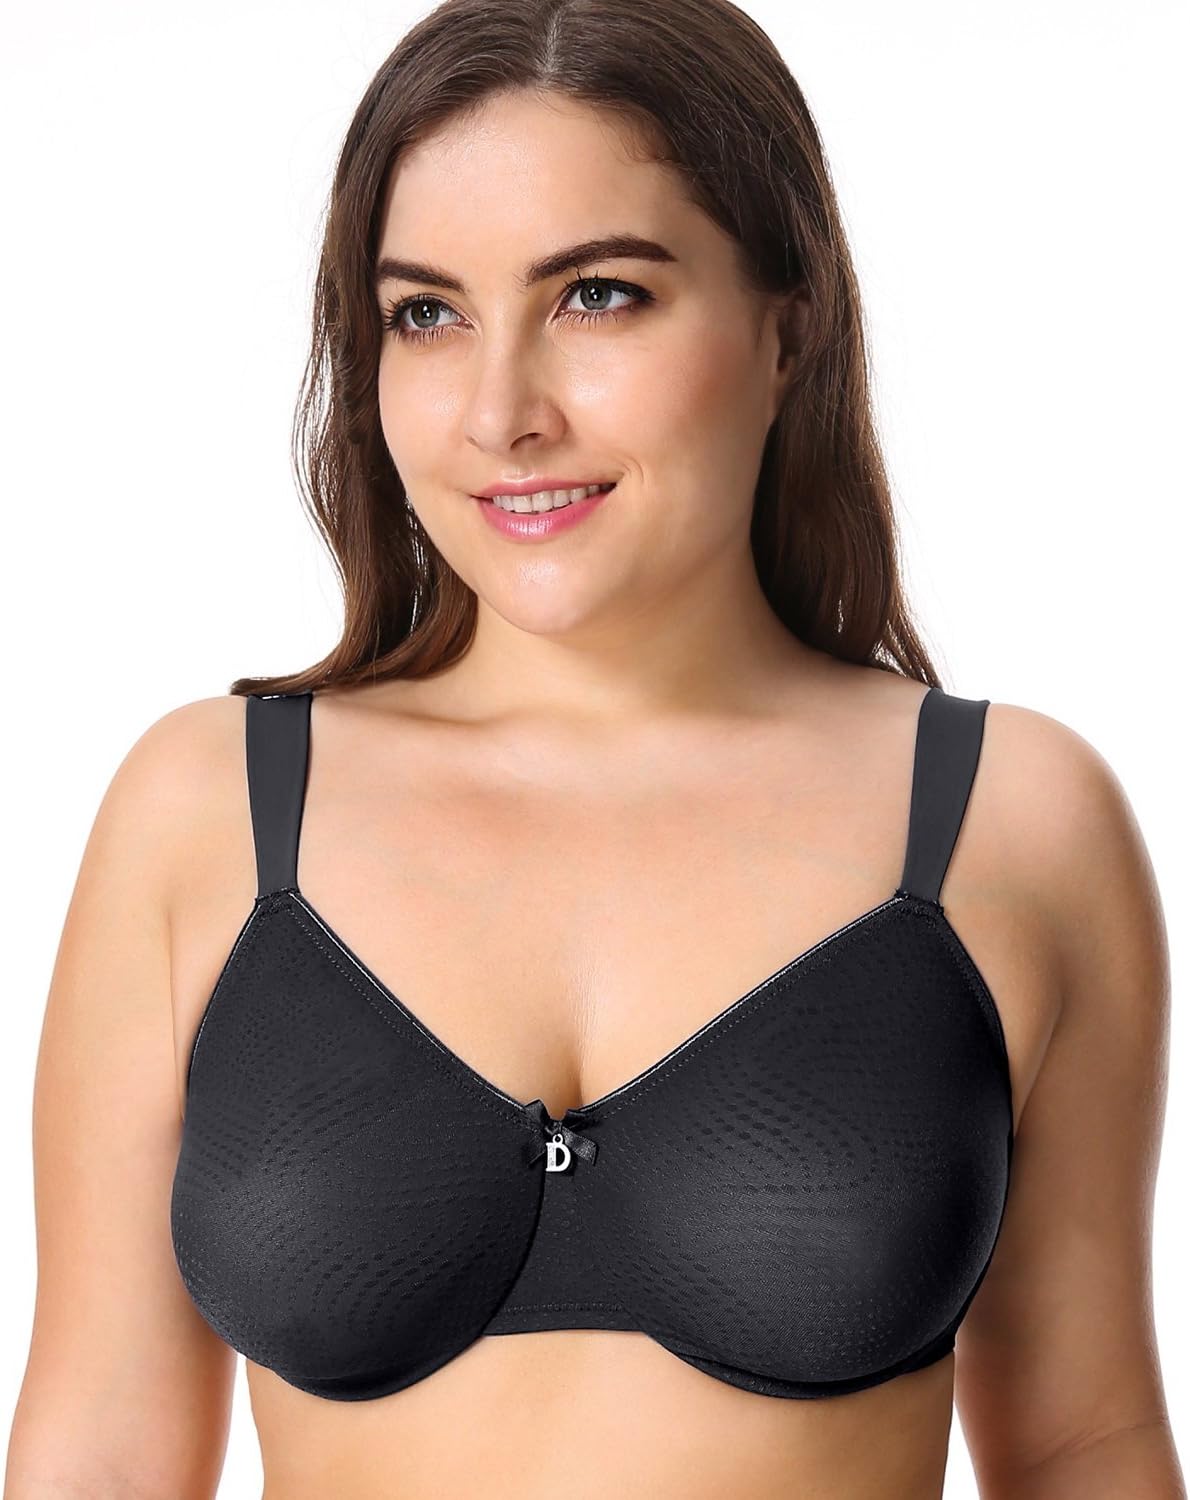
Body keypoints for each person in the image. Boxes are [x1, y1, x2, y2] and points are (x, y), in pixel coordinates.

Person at [5, 1, 1183, 1497]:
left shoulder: (1010, 821)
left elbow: (1084, 1444)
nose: (503, 413)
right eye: (426, 315)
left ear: (789, 326)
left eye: (598, 296)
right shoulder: (209, 815)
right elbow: (98, 1452)